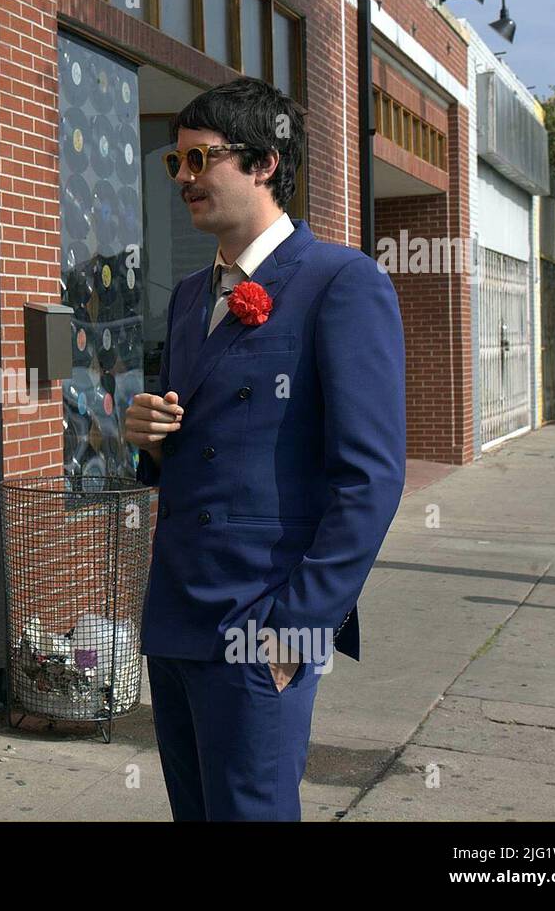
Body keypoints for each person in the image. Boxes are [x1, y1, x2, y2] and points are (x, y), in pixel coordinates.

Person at [125, 77, 406, 821]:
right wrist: (148, 439)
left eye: (199, 160)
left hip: (262, 620)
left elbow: (371, 479)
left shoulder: (343, 283)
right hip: (178, 614)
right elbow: (189, 446)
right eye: (174, 163)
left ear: (264, 163)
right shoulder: (190, 295)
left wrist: (296, 631)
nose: (183, 178)